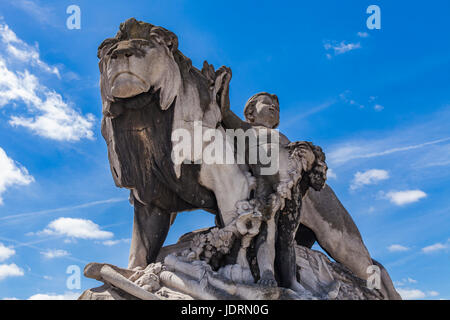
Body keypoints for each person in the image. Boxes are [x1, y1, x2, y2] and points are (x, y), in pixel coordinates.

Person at [216, 67, 327, 291]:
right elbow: (224, 111)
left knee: (287, 238)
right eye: (267, 103)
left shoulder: (282, 136)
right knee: (268, 230)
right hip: (264, 185)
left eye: (276, 107)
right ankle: (267, 272)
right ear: (250, 113)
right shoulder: (247, 130)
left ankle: (291, 281)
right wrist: (225, 84)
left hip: (291, 188)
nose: (274, 107)